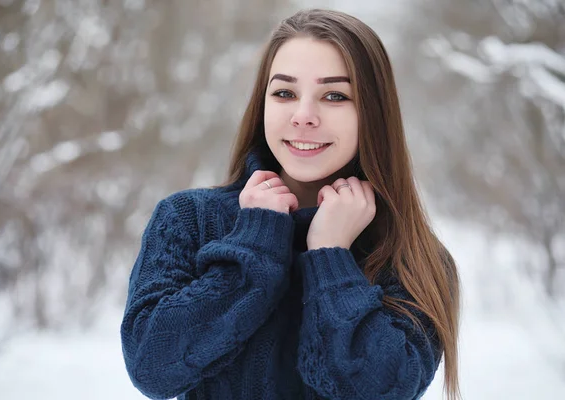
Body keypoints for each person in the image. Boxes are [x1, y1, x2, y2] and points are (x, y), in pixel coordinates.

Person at [120, 8, 461, 400]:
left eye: (335, 95)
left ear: (373, 113)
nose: (303, 116)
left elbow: (380, 389)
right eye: (284, 93)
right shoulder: (188, 220)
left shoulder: (413, 259)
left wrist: (331, 256)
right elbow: (151, 368)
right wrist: (255, 244)